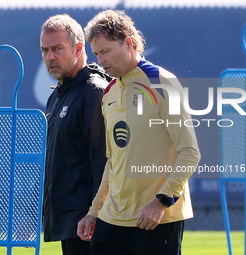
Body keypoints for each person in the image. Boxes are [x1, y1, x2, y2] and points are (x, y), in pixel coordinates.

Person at [77, 10, 201, 255]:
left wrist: (161, 202)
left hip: (154, 220)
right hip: (111, 220)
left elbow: (190, 152)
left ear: (129, 43)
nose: (100, 60)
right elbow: (113, 162)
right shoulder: (109, 93)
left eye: (106, 51)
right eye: (96, 54)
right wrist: (94, 212)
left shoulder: (163, 83)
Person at [40, 14, 111, 255]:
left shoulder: (93, 91)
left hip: (89, 226)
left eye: (57, 49)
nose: (50, 57)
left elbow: (103, 162)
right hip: (68, 223)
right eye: (45, 50)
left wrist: (95, 216)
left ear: (79, 48)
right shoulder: (58, 94)